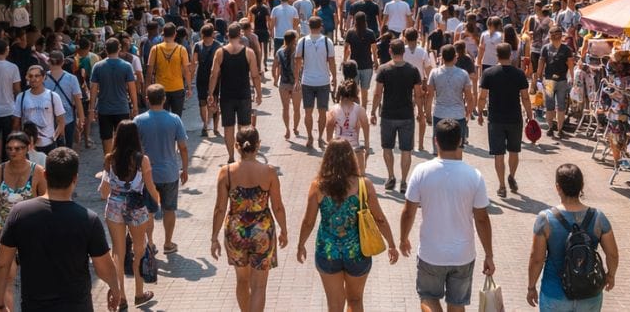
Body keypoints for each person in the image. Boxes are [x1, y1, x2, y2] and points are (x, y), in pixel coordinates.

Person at [0, 147, 122, 312]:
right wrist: (115, 288)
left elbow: (2, 264)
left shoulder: (19, 213)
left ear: (45, 175)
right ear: (75, 178)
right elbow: (103, 267)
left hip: (35, 306)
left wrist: (0, 304)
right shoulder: (88, 220)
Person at [399, 120, 494, 312]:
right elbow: (482, 219)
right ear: (460, 141)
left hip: (431, 253)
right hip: (463, 254)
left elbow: (408, 212)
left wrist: (403, 238)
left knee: (428, 297)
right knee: (457, 304)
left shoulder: (421, 172)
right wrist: (489, 254)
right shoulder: (474, 176)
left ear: (436, 141)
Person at [296, 139, 399, 312]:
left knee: (334, 305)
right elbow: (379, 218)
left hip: (328, 251)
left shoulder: (318, 186)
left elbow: (308, 221)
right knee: (355, 300)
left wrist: (301, 244)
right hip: (357, 252)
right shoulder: (363, 185)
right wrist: (391, 244)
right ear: (351, 158)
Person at [211, 127, 289, 312]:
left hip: (235, 232)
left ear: (236, 146)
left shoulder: (226, 172)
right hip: (262, 232)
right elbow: (278, 206)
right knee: (259, 286)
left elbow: (220, 208)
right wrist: (284, 230)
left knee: (242, 280)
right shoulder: (269, 172)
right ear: (258, 145)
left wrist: (214, 238)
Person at [527, 164, 619, 311]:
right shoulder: (598, 217)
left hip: (555, 294)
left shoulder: (545, 219)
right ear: (581, 185)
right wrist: (611, 275)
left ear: (558, 187)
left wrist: (531, 287)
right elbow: (612, 254)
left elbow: (537, 259)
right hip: (590, 294)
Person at [100, 120, 161, 308]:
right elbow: (150, 188)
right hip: (136, 208)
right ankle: (139, 293)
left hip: (114, 206)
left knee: (118, 253)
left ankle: (121, 297)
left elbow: (103, 192)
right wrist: (157, 201)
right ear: (136, 137)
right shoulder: (142, 160)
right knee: (139, 250)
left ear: (117, 136)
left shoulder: (110, 159)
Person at [0, 131, 46, 311]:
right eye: (10, 148)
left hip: (33, 233)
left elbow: (45, 201)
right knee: (6, 278)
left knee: (34, 280)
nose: (13, 152)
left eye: (18, 148)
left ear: (28, 148)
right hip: (6, 232)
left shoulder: (38, 171)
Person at [134, 84, 190, 255]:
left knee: (149, 211)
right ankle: (168, 243)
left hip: (147, 174)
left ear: (147, 99)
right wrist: (185, 169)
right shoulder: (174, 119)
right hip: (169, 173)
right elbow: (183, 147)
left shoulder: (138, 121)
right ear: (164, 99)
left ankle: (150, 243)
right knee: (169, 209)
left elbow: (134, 147)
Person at [478, 43, 535, 199]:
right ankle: (512, 176)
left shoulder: (488, 73)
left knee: (498, 154)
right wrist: (530, 115)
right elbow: (525, 97)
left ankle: (502, 186)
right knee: (514, 151)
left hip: (495, 119)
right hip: (514, 118)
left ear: (497, 55)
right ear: (510, 55)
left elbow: (482, 96)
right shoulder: (519, 74)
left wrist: (480, 112)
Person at [371, 40, 422, 194]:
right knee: (406, 149)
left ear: (390, 51)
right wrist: (420, 112)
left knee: (387, 147)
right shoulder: (413, 70)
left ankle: (391, 176)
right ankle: (404, 181)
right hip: (406, 115)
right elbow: (418, 94)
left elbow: (378, 93)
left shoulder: (383, 69)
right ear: (403, 52)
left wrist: (373, 111)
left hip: (388, 114)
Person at [209, 23, 264, 163]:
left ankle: (231, 157)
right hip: (243, 95)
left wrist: (210, 93)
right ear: (240, 35)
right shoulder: (248, 52)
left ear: (227, 34)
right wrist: (259, 93)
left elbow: (214, 75)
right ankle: (243, 157)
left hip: (226, 96)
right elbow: (255, 75)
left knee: (228, 128)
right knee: (244, 128)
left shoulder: (220, 52)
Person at [90, 38, 139, 155]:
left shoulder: (98, 66)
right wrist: (135, 106)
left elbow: (93, 89)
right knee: (122, 138)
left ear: (105, 50)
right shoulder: (126, 66)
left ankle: (108, 162)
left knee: (106, 138)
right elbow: (132, 88)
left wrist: (91, 109)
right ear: (119, 49)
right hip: (122, 108)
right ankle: (121, 161)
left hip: (104, 109)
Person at [296, 16, 338, 150]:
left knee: (308, 112)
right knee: (322, 112)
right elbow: (332, 62)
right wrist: (334, 77)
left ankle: (310, 137)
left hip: (307, 81)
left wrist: (297, 79)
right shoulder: (327, 41)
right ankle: (320, 137)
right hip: (323, 81)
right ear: (321, 26)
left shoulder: (302, 41)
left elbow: (298, 62)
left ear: (309, 26)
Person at [426, 45, 472, 150]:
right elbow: (469, 97)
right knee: (457, 149)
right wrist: (468, 112)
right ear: (455, 57)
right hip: (458, 114)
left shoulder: (434, 73)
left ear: (442, 57)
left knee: (439, 149)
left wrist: (428, 113)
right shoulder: (463, 74)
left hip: (439, 114)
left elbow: (430, 96)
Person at [12, 64, 66, 154]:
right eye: (30, 76)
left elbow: (61, 122)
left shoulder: (53, 96)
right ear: (27, 78)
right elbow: (16, 123)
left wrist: (54, 138)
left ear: (44, 77)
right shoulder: (21, 97)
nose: (33, 79)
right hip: (29, 145)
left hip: (49, 144)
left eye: (37, 76)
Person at [536, 25, 576, 139]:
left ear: (550, 37)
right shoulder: (566, 49)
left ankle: (551, 128)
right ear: (561, 36)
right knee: (560, 106)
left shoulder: (546, 48)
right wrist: (572, 77)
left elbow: (541, 64)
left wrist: (539, 77)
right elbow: (571, 65)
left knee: (551, 106)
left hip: (550, 80)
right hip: (560, 80)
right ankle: (559, 129)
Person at [147, 23, 190, 118]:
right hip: (178, 87)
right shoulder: (181, 49)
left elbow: (149, 71)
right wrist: (189, 87)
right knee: (177, 117)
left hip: (160, 89)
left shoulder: (155, 49)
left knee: (161, 117)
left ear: (163, 34)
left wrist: (148, 89)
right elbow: (186, 71)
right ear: (175, 34)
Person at [45, 50, 85, 149]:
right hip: (68, 117)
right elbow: (77, 100)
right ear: (63, 62)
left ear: (48, 62)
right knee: (67, 148)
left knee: (50, 148)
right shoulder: (72, 78)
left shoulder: (43, 78)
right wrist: (81, 119)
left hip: (48, 118)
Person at [328, 79, 370, 173]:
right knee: (360, 178)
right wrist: (367, 147)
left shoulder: (333, 110)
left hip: (337, 149)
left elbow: (328, 136)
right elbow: (366, 128)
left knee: (336, 177)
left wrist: (329, 151)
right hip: (354, 148)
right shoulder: (360, 110)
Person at [191, 23, 223, 137]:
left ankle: (205, 126)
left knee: (202, 103)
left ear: (202, 34)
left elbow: (193, 64)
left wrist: (190, 80)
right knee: (214, 102)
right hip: (214, 77)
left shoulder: (197, 45)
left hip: (202, 77)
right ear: (213, 33)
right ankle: (215, 128)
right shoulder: (219, 46)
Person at [344, 12, 378, 106]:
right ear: (365, 21)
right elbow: (374, 50)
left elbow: (346, 48)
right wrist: (376, 61)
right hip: (367, 65)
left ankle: (354, 109)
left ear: (355, 20)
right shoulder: (370, 33)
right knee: (364, 90)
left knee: (353, 90)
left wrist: (344, 60)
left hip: (353, 66)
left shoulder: (350, 32)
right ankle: (363, 109)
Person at [273, 30, 302, 140]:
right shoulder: (298, 52)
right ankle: (295, 128)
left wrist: (275, 79)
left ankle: (287, 129)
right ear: (294, 40)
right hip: (296, 83)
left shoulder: (279, 52)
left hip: (284, 84)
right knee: (296, 109)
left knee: (285, 108)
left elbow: (274, 67)